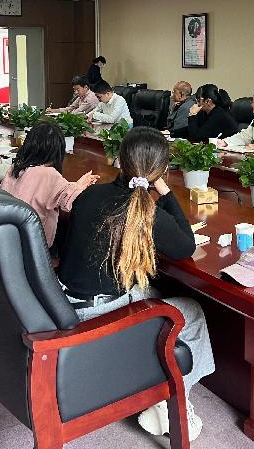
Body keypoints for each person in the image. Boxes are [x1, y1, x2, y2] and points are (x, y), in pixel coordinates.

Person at [57, 127, 214, 440]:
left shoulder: (90, 195)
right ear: (162, 170)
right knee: (193, 310)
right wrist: (165, 191)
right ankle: (172, 402)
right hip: (99, 314)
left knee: (153, 291)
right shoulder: (147, 213)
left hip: (65, 303)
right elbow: (185, 245)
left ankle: (155, 379)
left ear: (120, 159)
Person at [0, 120, 98, 247]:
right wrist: (80, 186)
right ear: (58, 151)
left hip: (6, 237)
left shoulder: (16, 167)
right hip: (33, 245)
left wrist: (76, 185)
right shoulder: (50, 175)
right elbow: (71, 200)